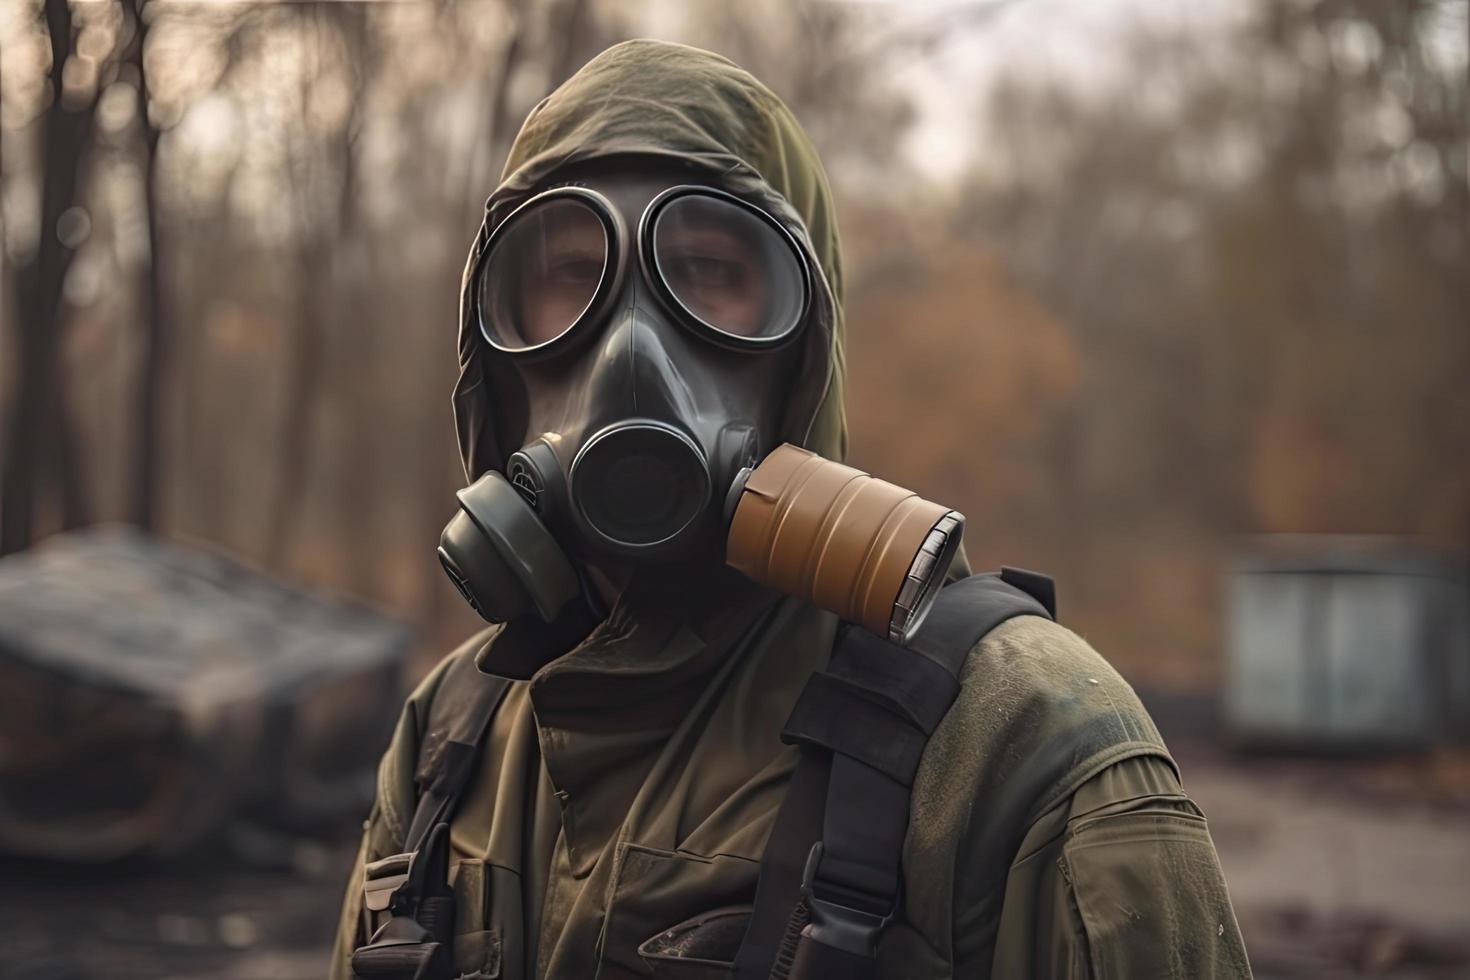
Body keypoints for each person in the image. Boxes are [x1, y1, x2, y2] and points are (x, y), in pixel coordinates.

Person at [330, 38, 1252, 980]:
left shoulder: (1022, 746)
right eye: (572, 273)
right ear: (499, 353)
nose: (629, 348)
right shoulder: (452, 735)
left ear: (804, 352)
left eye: (707, 270)